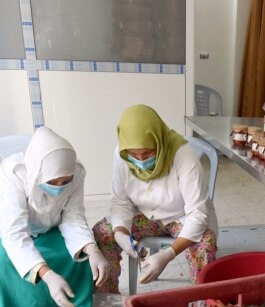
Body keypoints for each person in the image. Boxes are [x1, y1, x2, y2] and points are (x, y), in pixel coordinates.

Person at [0, 127, 109, 307]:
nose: (60, 187)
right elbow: (15, 234)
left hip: (49, 225)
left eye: (65, 181)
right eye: (53, 182)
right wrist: (48, 275)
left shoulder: (76, 172)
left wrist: (93, 251)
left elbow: (73, 217)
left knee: (78, 257)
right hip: (5, 228)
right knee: (0, 261)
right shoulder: (13, 173)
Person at [92, 104, 218, 293]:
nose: (141, 160)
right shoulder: (122, 154)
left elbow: (197, 214)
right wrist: (121, 234)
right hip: (144, 214)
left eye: (148, 153)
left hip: (181, 216)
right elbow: (120, 201)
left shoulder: (182, 155)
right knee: (103, 232)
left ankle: (202, 306)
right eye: (134, 155)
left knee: (205, 243)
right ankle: (109, 302)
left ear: (159, 142)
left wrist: (168, 254)